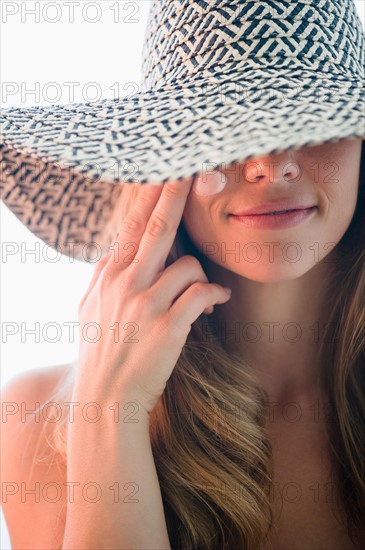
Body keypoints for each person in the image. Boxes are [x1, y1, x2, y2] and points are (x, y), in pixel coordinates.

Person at [1, 1, 364, 549]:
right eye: (225, 128)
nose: (272, 163)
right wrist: (108, 415)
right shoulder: (35, 422)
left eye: (314, 121)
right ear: (163, 162)